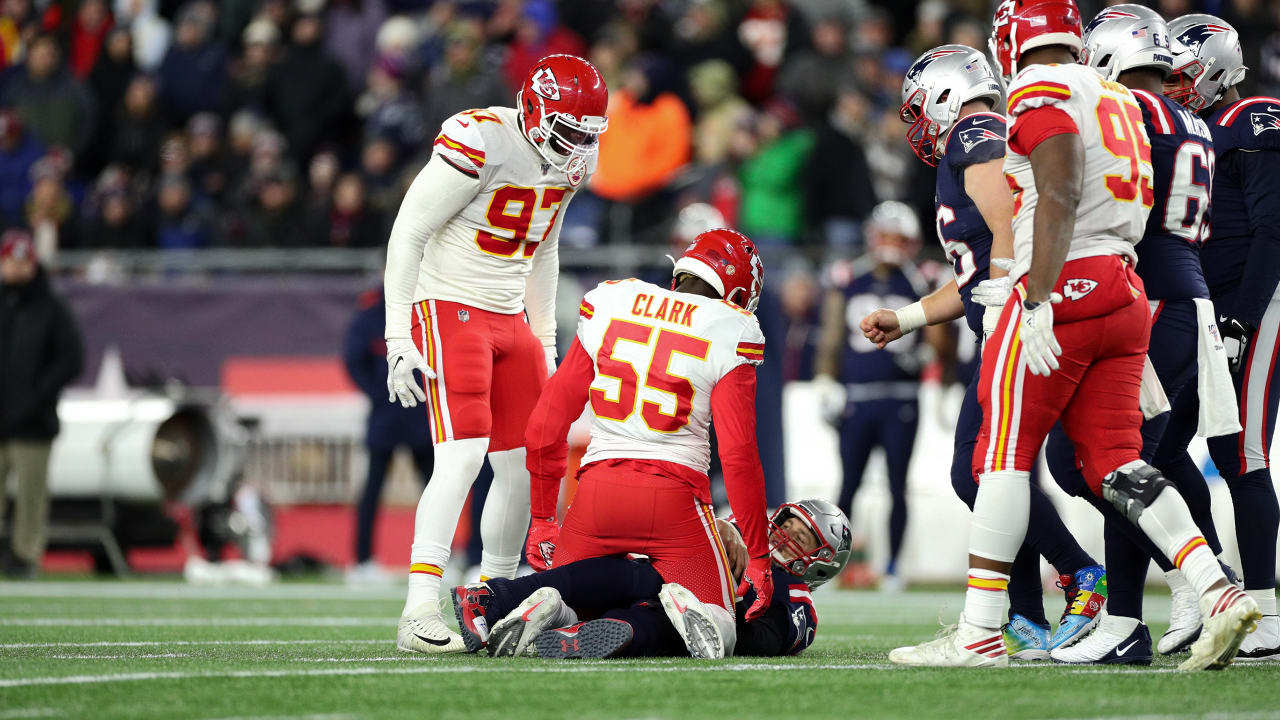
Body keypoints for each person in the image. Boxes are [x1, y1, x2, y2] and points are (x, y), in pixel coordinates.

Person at [889, 0, 1256, 672]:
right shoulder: (1117, 96)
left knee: (1001, 455)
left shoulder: (1041, 86)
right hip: (1123, 283)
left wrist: (1035, 296)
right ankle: (1218, 589)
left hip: (1062, 283)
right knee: (1117, 460)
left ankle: (979, 631)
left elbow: (1056, 187)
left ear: (1014, 38)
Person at [863, 44, 1106, 657]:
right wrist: (909, 317)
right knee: (999, 471)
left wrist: (1001, 314)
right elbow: (972, 274)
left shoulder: (974, 131)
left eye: (921, 107)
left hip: (1014, 325)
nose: (920, 124)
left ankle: (1079, 575)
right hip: (1003, 319)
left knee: (983, 469)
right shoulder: (976, 137)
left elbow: (1005, 224)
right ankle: (1027, 617)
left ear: (945, 94)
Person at [384, 54, 608, 654]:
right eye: (568, 128)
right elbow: (407, 231)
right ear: (533, 109)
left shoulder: (574, 157)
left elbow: (544, 251)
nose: (577, 144)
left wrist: (547, 341)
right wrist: (397, 337)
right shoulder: (481, 137)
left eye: (587, 132)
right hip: (449, 305)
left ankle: (497, 601)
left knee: (523, 465)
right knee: (461, 456)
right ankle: (418, 608)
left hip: (512, 318)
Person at [1044, 5, 1236, 665]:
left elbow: (1110, 205)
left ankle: (1180, 595)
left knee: (1108, 464)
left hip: (1144, 297)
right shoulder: (1185, 119)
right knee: (1126, 463)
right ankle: (1190, 588)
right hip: (1182, 297)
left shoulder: (1130, 111)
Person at [516, 228, 774, 660]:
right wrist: (761, 558)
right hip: (675, 500)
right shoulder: (733, 328)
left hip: (596, 493)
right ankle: (687, 607)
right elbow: (739, 456)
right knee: (722, 625)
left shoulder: (613, 300)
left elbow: (547, 420)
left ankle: (553, 609)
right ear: (737, 292)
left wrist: (542, 515)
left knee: (577, 594)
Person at [1162, 13, 1280, 661]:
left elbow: (1272, 230)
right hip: (1209, 308)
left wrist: (1245, 316)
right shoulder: (1196, 131)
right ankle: (1218, 587)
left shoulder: (1254, 117)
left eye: (1184, 76)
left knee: (1244, 454)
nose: (1175, 89)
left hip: (1258, 305)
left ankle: (1265, 611)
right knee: (1161, 445)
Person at [451, 499, 850, 659]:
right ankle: (497, 598)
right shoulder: (734, 531)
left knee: (671, 621)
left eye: (802, 538)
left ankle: (560, 621)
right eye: (788, 525)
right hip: (658, 578)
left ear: (819, 564)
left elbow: (771, 638)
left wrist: (724, 625)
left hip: (688, 612)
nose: (785, 536)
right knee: (629, 575)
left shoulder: (796, 597)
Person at [814, 201, 932, 593]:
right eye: (885, 236)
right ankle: (831, 564)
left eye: (898, 238)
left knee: (898, 485)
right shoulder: (850, 277)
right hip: (859, 396)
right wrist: (825, 379)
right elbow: (832, 335)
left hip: (902, 396)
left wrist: (936, 367)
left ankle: (895, 566)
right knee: (848, 485)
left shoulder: (920, 281)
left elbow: (939, 340)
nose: (890, 245)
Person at [0, 230, 83, 578]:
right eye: (12, 260)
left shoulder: (52, 307)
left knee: (32, 496)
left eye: (24, 261)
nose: (18, 268)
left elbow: (71, 359)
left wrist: (36, 396)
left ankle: (25, 556)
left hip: (34, 421)